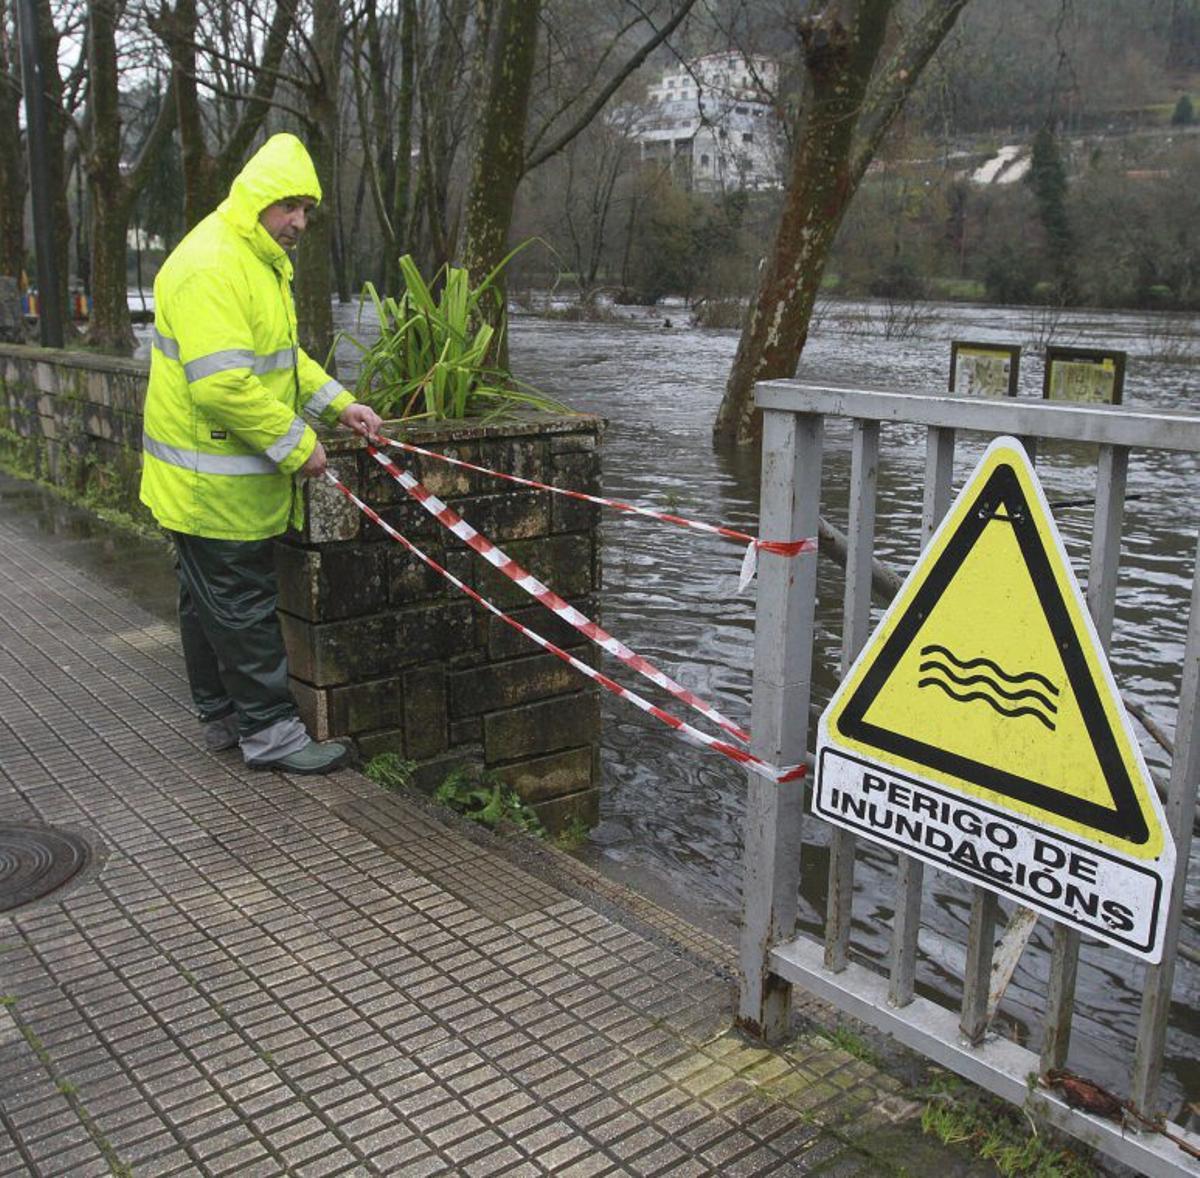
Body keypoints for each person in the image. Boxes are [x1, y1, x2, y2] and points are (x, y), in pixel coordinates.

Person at [140, 133, 382, 775]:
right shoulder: (213, 266)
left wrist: (339, 405)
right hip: (209, 486)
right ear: (254, 199)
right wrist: (299, 444)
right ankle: (271, 736)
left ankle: (220, 717)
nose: (299, 222)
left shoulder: (255, 259)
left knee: (206, 602)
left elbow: (281, 361)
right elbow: (222, 384)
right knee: (242, 606)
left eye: (306, 209)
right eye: (288, 207)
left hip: (205, 481)